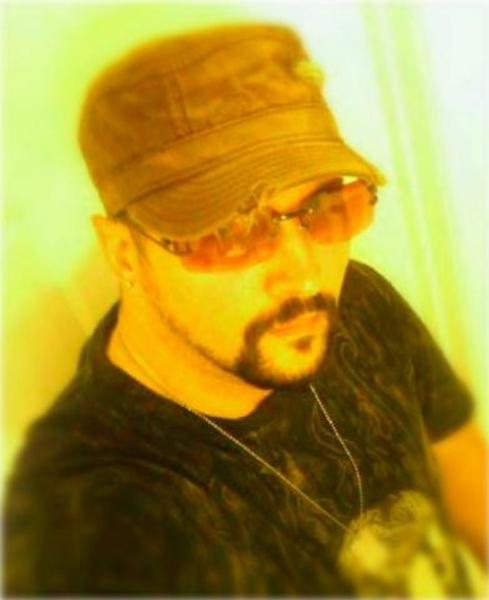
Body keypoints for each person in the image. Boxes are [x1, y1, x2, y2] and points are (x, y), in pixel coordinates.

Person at [4, 21, 487, 596]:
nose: (305, 275)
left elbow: (458, 453)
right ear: (123, 252)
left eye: (325, 207)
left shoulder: (359, 299)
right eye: (229, 232)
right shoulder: (96, 526)